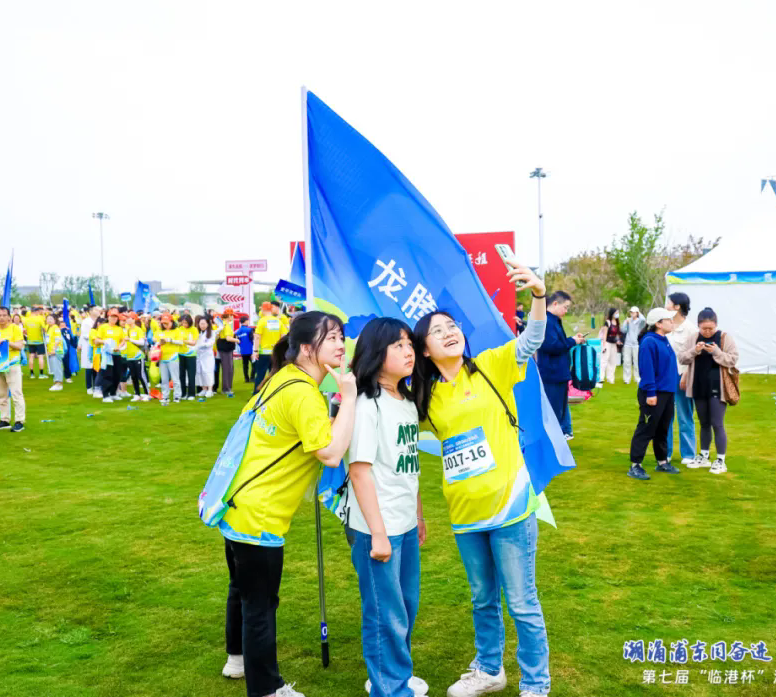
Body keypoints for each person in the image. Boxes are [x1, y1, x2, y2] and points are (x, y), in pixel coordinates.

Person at [410, 258, 550, 697]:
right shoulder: (425, 396)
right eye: (437, 330)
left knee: (522, 601)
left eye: (452, 326)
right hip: (465, 513)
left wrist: (539, 294)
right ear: (424, 350)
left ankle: (536, 683)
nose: (449, 332)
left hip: (510, 504)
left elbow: (532, 339)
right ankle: (489, 670)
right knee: (483, 598)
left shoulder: (492, 365)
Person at [219, 311, 356, 697]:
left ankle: (236, 659)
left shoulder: (282, 378)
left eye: (341, 336)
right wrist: (349, 399)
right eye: (332, 337)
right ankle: (266, 688)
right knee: (260, 603)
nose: (341, 345)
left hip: (237, 503)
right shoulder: (302, 392)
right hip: (261, 513)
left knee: (243, 589)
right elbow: (330, 453)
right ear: (308, 348)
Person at [345, 317, 428, 697]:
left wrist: (418, 516)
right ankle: (391, 689)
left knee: (405, 607)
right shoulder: (367, 405)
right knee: (385, 614)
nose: (409, 351)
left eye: (409, 344)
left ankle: (392, 677)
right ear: (377, 353)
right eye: (398, 345)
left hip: (404, 522)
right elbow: (359, 471)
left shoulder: (405, 402)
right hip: (376, 527)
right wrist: (378, 534)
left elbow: (409, 466)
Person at [678, 308, 739, 474]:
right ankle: (704, 456)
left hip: (718, 387)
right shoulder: (693, 338)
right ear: (698, 326)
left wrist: (716, 352)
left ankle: (720, 460)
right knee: (703, 423)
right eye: (704, 328)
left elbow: (733, 359)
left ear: (716, 325)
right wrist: (695, 350)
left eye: (711, 328)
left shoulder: (724, 338)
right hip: (698, 386)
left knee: (717, 423)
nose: (707, 332)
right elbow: (682, 358)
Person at [627, 308, 680, 480]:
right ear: (658, 323)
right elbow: (647, 369)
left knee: (662, 428)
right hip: (654, 392)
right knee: (646, 428)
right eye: (668, 320)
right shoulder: (649, 342)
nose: (672, 322)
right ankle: (635, 465)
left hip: (667, 393)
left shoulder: (663, 340)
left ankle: (662, 462)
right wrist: (651, 392)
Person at [537, 290, 586, 440]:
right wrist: (572, 341)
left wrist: (572, 340)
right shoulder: (547, 321)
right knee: (553, 412)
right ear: (555, 304)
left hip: (559, 374)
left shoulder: (554, 321)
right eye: (565, 307)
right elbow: (552, 346)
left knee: (560, 411)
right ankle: (552, 441)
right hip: (552, 375)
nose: (566, 311)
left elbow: (559, 343)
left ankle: (560, 436)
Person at [664, 293, 696, 465]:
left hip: (682, 375)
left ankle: (688, 454)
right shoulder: (665, 325)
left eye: (669, 303)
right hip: (665, 375)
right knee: (665, 415)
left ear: (677, 307)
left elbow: (694, 356)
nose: (666, 305)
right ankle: (665, 452)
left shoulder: (691, 329)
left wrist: (686, 374)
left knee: (684, 415)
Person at [0, 306, 27, 432]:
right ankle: (4, 419)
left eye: (4, 315)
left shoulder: (15, 328)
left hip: (12, 364)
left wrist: (7, 343)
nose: (1, 318)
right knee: (1, 394)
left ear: (9, 316)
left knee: (16, 393)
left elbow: (20, 346)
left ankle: (19, 421)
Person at [253, 303, 289, 393]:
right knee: (274, 374)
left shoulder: (262, 321)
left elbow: (257, 336)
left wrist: (255, 351)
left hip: (263, 353)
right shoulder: (278, 321)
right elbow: (284, 335)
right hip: (275, 353)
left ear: (264, 310)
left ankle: (256, 394)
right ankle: (272, 393)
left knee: (260, 374)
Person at [96, 310, 127, 403]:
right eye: (112, 316)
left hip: (116, 353)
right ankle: (105, 395)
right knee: (107, 374)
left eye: (115, 317)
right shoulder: (103, 327)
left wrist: (119, 346)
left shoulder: (119, 329)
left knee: (117, 374)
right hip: (107, 354)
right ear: (108, 317)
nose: (114, 318)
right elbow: (97, 340)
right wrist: (105, 342)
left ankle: (113, 393)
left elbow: (123, 340)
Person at [155, 313, 182, 404]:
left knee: (175, 378)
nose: (165, 325)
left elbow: (181, 342)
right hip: (162, 357)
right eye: (163, 323)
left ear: (172, 322)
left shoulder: (176, 330)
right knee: (164, 379)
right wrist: (159, 343)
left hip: (173, 357)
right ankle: (165, 396)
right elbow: (155, 341)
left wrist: (170, 340)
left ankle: (177, 396)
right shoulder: (159, 331)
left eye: (167, 323)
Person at [123, 313, 149, 401]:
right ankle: (137, 394)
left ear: (134, 319)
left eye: (129, 318)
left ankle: (147, 393)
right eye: (127, 318)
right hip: (129, 356)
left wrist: (130, 339)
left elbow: (142, 342)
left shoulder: (138, 329)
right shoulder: (127, 330)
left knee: (141, 375)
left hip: (138, 356)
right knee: (133, 376)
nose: (127, 320)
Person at [217, 311, 240, 397]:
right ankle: (226, 389)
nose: (233, 317)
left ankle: (227, 388)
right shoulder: (225, 325)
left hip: (226, 348)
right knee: (227, 369)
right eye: (232, 316)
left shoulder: (224, 324)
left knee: (229, 368)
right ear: (229, 316)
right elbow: (228, 338)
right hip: (225, 348)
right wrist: (237, 340)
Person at [620, 306, 645, 385]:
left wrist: (639, 313)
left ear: (637, 313)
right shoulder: (628, 320)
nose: (632, 314)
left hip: (635, 344)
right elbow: (623, 330)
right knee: (626, 361)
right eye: (631, 312)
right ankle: (626, 379)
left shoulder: (640, 321)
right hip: (627, 343)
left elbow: (644, 320)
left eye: (633, 312)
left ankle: (637, 378)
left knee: (636, 361)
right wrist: (626, 323)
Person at [22, 306, 48, 379]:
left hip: (30, 341)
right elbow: (44, 329)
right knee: (40, 357)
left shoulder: (26, 320)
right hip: (39, 341)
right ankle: (41, 374)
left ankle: (32, 374)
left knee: (31, 356)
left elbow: (24, 331)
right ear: (36, 312)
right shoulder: (39, 319)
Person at [597, 307, 621, 385]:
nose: (617, 314)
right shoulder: (607, 322)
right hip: (607, 343)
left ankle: (610, 379)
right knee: (604, 360)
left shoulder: (617, 322)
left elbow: (617, 334)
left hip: (614, 344)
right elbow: (605, 334)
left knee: (612, 361)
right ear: (612, 313)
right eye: (616, 313)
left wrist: (618, 341)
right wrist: (604, 345)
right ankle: (601, 378)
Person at [196, 315, 217, 398]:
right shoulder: (198, 332)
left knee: (208, 372)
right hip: (199, 355)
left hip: (207, 356)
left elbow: (210, 343)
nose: (202, 325)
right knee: (200, 372)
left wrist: (203, 344)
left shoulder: (211, 332)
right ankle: (204, 389)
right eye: (201, 324)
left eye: (204, 324)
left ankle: (210, 390)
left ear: (208, 324)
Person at [236, 317, 254, 384]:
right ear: (245, 321)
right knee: (254, 365)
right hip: (250, 350)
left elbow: (237, 340)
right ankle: (252, 378)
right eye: (248, 320)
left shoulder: (238, 331)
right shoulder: (249, 330)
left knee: (245, 365)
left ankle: (246, 378)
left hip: (243, 350)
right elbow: (252, 339)